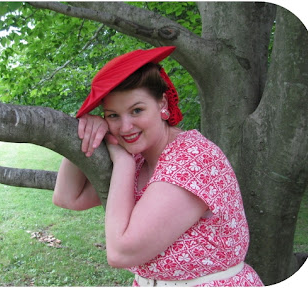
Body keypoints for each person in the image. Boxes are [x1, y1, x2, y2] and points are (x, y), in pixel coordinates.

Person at [53, 46, 264, 286]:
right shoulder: (141, 157)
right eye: (112, 116)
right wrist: (83, 134)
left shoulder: (193, 159)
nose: (125, 127)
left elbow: (121, 252)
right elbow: (67, 198)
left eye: (137, 110)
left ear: (162, 104)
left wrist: (122, 162)